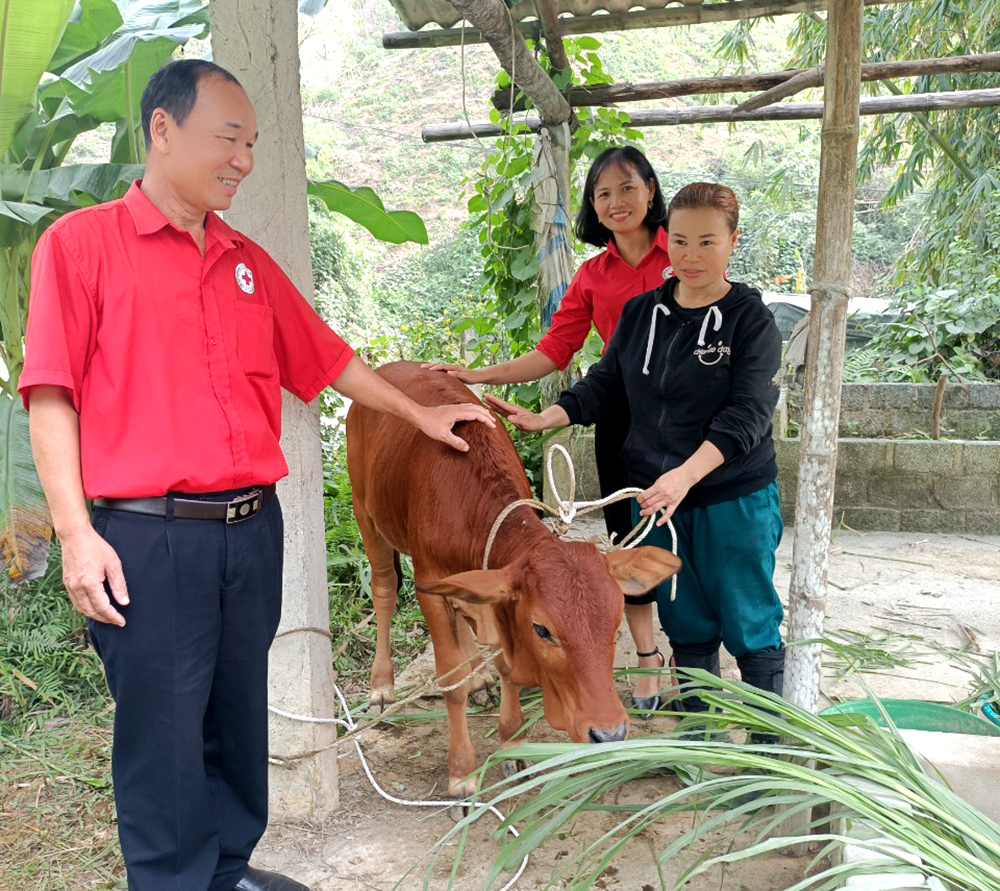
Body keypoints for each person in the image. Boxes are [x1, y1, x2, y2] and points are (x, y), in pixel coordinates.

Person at [19, 60, 493, 891]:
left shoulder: (244, 260)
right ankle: (172, 880)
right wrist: (74, 533)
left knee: (236, 720)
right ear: (162, 131)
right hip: (146, 537)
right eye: (227, 139)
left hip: (249, 529)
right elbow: (50, 393)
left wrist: (420, 414)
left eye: (252, 144)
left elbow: (326, 358)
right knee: (163, 739)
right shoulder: (82, 246)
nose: (243, 158)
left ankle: (227, 870)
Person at [484, 182, 785, 718]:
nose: (691, 256)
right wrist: (549, 416)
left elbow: (747, 417)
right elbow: (606, 383)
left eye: (708, 242)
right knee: (687, 624)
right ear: (668, 238)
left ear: (733, 241)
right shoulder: (642, 313)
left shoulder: (751, 321)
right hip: (658, 499)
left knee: (749, 622)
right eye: (682, 241)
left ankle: (763, 755)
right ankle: (699, 738)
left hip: (729, 498)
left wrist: (685, 477)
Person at [427, 146, 672, 715]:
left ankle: (701, 660)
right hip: (621, 421)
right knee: (631, 542)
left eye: (627, 188)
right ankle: (645, 661)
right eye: (601, 193)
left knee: (687, 539)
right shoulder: (592, 275)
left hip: (685, 422)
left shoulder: (678, 256)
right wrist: (475, 374)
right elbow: (553, 351)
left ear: (652, 190)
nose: (615, 202)